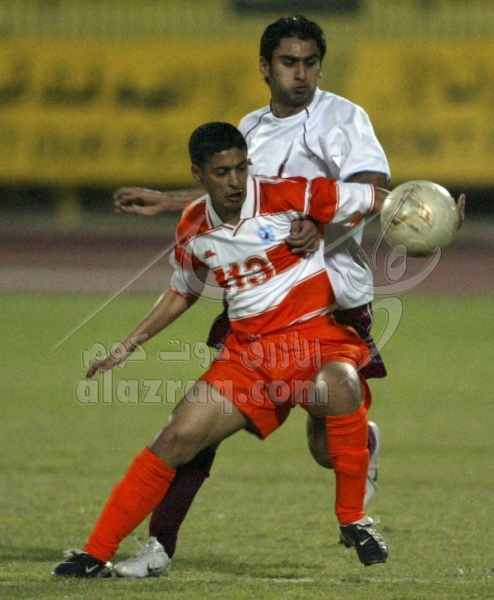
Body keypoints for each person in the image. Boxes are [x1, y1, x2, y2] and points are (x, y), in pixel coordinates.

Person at [111, 16, 390, 578]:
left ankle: (358, 439)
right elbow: (237, 192)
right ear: (265, 67)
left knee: (325, 446)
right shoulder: (251, 128)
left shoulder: (343, 118)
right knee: (196, 429)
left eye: (310, 62)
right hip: (257, 294)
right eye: (289, 63)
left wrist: (318, 222)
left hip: (331, 294)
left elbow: (368, 188)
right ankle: (159, 547)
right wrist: (168, 201)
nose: (301, 74)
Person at [53, 122, 390, 579]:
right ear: (198, 174)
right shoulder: (193, 225)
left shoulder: (290, 194)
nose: (235, 181)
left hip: (317, 339)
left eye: (241, 168)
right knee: (176, 438)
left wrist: (435, 216)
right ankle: (95, 554)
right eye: (222, 172)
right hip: (249, 355)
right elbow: (182, 291)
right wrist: (128, 344)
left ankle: (353, 519)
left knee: (341, 382)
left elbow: (377, 198)